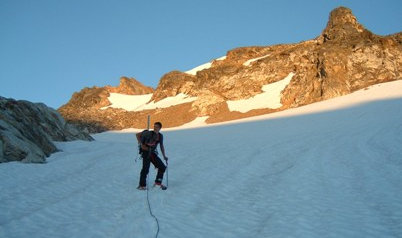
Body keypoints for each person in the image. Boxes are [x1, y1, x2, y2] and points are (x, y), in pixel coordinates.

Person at [136, 121, 168, 190]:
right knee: (145, 169)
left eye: (157, 127)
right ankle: (142, 185)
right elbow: (137, 134)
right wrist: (141, 144)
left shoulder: (160, 136)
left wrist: (164, 156)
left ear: (160, 128)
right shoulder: (148, 133)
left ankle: (158, 183)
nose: (155, 128)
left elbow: (161, 146)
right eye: (154, 126)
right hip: (145, 153)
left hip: (152, 153)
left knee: (162, 167)